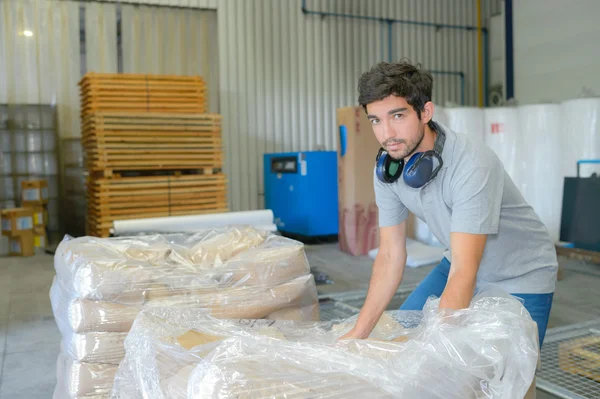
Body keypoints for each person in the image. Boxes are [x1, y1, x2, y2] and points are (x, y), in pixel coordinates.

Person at [340, 60, 558, 348]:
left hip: (519, 275)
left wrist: (432, 347)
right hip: (456, 262)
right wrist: (357, 334)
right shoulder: (388, 168)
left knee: (505, 375)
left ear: (425, 112)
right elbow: (391, 255)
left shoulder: (471, 164)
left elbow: (464, 272)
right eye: (376, 120)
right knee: (396, 338)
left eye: (397, 116)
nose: (386, 134)